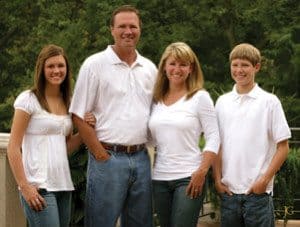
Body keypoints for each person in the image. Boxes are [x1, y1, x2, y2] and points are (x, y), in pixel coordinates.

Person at [69, 5, 157, 227]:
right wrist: (100, 154)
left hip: (141, 158)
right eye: (122, 26)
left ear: (140, 29)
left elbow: (158, 112)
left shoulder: (149, 68)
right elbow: (78, 114)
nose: (128, 31)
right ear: (112, 30)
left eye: (133, 26)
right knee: (101, 222)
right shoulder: (95, 65)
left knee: (140, 223)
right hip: (108, 157)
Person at [7, 44, 95, 226]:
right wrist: (25, 187)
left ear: (67, 69)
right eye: (51, 66)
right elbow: (13, 147)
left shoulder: (69, 102)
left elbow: (66, 147)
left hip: (63, 186)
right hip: (39, 187)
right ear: (42, 69)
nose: (56, 71)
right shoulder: (28, 99)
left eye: (60, 66)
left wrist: (86, 129)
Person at [213, 43, 291, 227]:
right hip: (229, 194)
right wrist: (217, 180)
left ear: (256, 67)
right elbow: (217, 144)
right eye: (235, 64)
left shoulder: (269, 102)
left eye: (245, 65)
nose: (239, 70)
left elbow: (283, 147)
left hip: (257, 194)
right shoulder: (222, 103)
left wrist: (263, 181)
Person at [148, 42, 220, 227]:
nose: (177, 69)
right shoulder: (155, 101)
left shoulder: (200, 97)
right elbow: (148, 137)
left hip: (189, 176)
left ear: (191, 68)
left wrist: (202, 172)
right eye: (172, 63)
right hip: (159, 178)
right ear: (164, 66)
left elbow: (214, 137)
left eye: (183, 64)